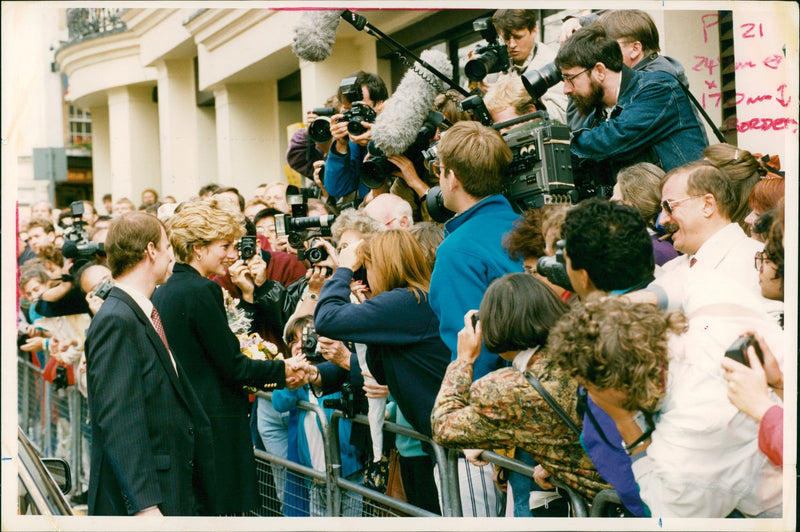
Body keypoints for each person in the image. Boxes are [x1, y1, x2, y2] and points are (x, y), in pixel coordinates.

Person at [549, 295, 783, 517]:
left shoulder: (690, 432)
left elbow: (668, 515)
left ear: (612, 386)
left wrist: (625, 423)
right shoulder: (707, 325)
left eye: (587, 386)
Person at [151, 197, 309, 515]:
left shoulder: (165, 290)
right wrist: (282, 370)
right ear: (199, 247)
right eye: (225, 245)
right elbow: (232, 365)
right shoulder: (201, 290)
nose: (232, 254)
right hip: (215, 426)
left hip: (192, 423)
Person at [431, 274, 610, 510]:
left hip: (599, 506)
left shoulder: (505, 388)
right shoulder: (588, 349)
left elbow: (443, 426)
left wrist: (463, 360)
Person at [84, 211, 216, 515]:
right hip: (152, 501)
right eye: (167, 246)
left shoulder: (136, 312)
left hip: (173, 489)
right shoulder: (117, 319)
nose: (172, 255)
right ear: (151, 250)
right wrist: (144, 506)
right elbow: (120, 420)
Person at [313, 229, 450, 514]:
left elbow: (326, 319)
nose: (365, 275)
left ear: (384, 266)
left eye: (368, 267)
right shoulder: (412, 300)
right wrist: (366, 311)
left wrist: (343, 270)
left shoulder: (407, 301)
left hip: (453, 446)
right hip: (439, 438)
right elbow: (380, 370)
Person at [556, 25, 707, 197]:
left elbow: (616, 136)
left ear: (599, 71)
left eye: (570, 78)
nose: (566, 89)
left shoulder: (658, 88)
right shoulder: (597, 118)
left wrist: (562, 143)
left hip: (686, 204)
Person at [564, 10, 693, 132]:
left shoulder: (654, 85)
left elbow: (584, 129)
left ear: (635, 49)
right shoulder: (641, 76)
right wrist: (578, 21)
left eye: (607, 47)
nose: (598, 53)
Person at [491, 9, 568, 123]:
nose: (511, 45)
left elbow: (563, 114)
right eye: (506, 38)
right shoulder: (497, 63)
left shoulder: (552, 63)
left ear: (534, 30)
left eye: (518, 37)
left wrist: (519, 95)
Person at [324, 71, 388, 205]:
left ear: (379, 104)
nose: (355, 115)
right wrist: (340, 145)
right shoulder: (352, 140)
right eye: (349, 109)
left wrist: (378, 139)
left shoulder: (398, 133)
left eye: (360, 108)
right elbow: (336, 188)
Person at [610, 162, 679, 266]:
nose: (610, 201)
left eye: (615, 196)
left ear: (632, 204)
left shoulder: (657, 252)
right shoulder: (660, 247)